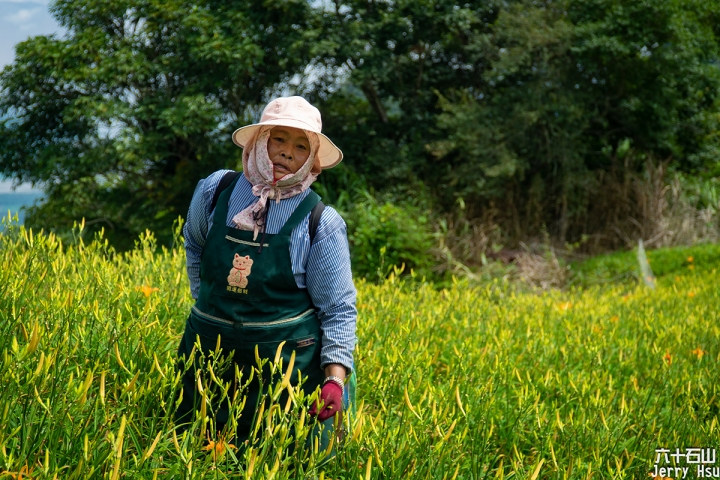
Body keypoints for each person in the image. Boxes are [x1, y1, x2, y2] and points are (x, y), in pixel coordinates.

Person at [175, 96, 357, 450]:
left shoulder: (320, 221)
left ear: (312, 159)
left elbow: (338, 309)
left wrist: (334, 380)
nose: (287, 153)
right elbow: (194, 244)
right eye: (279, 139)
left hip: (284, 370)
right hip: (208, 357)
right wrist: (207, 305)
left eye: (301, 146)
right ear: (260, 141)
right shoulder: (215, 190)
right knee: (194, 453)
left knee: (280, 460)